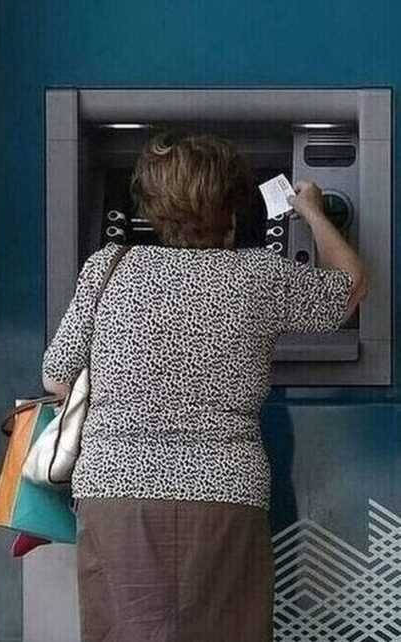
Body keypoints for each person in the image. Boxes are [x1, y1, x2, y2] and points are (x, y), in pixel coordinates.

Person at [41, 133, 366, 642]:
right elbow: (349, 287)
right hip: (225, 494)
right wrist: (312, 211)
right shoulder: (260, 275)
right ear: (233, 202)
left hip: (117, 490)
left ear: (150, 205)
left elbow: (57, 378)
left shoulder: (109, 267)